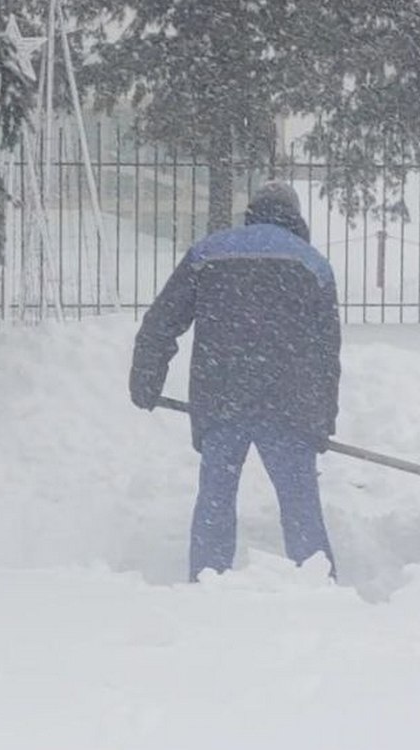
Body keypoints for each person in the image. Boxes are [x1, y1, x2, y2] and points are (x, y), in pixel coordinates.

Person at [129, 181, 341, 582]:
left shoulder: (208, 253)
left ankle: (208, 577)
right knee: (300, 502)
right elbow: (327, 352)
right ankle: (318, 581)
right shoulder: (313, 264)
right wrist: (322, 417)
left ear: (252, 213)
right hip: (289, 401)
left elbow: (161, 322)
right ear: (296, 220)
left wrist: (146, 378)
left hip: (221, 393)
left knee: (215, 497)